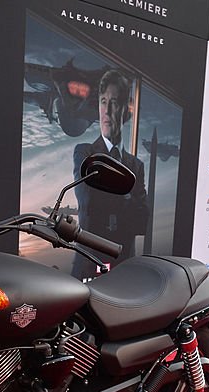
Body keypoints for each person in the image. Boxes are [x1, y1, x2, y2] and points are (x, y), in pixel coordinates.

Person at [71, 69, 148, 280]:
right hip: (89, 267)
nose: (106, 110)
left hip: (124, 269)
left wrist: (109, 199)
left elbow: (142, 221)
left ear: (125, 109)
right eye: (103, 102)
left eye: (113, 102)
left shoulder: (137, 165)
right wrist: (127, 198)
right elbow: (89, 204)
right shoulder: (84, 152)